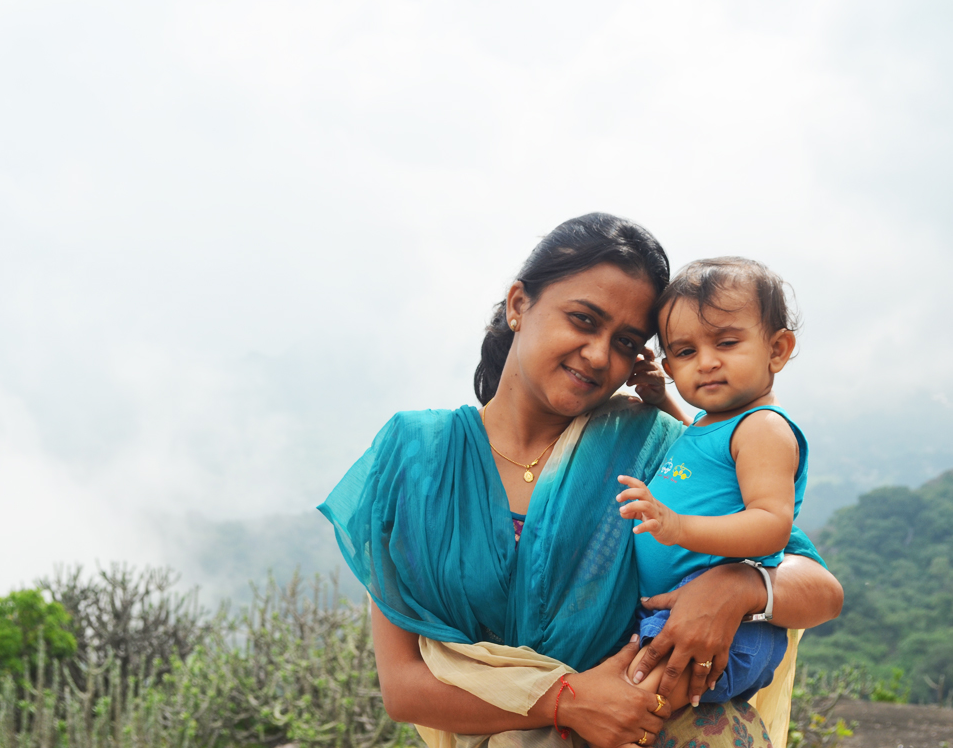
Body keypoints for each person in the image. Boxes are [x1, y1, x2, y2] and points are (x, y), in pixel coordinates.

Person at [318, 214, 843, 748]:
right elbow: (404, 687)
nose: (598, 355)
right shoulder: (419, 458)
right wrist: (568, 701)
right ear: (518, 304)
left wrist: (739, 586)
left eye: (625, 342)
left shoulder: (654, 445)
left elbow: (820, 590)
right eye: (584, 320)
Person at [617, 257, 808, 710]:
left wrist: (678, 526)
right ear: (669, 365)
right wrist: (662, 399)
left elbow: (771, 525)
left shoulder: (762, 428)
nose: (706, 363)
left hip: (729, 624)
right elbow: (705, 458)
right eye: (685, 353)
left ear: (777, 349)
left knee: (630, 708)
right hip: (676, 610)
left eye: (726, 342)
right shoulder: (714, 422)